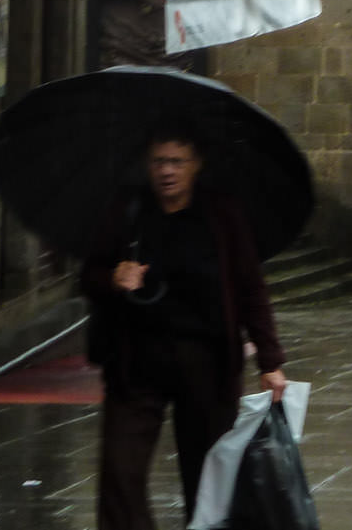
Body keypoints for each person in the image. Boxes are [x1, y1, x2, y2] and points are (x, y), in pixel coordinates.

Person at [81, 127, 287, 530]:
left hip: (206, 364)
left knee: (210, 477)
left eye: (177, 161)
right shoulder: (128, 210)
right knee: (121, 470)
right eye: (159, 161)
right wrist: (113, 276)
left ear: (196, 165)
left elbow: (250, 288)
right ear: (147, 165)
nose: (167, 171)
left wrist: (270, 359)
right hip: (136, 363)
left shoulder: (222, 214)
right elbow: (89, 275)